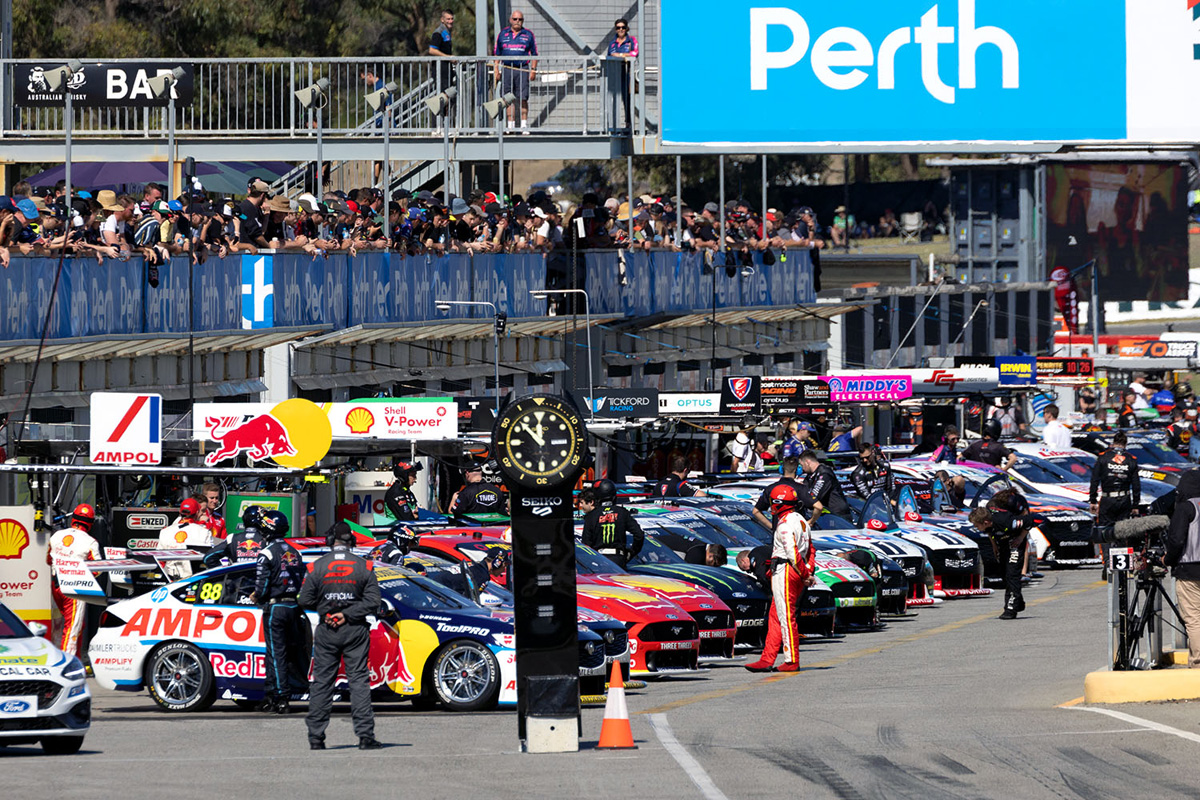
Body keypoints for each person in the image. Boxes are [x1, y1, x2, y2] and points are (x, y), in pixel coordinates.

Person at [300, 522, 383, 750]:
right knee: (358, 681)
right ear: (352, 542)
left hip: (327, 629)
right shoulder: (365, 566)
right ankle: (365, 737)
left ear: (329, 541)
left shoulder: (316, 566)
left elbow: (304, 600)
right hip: (355, 628)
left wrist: (327, 612)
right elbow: (373, 601)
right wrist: (346, 614)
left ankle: (316, 738)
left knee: (322, 682)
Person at [744, 485, 815, 672]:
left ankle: (791, 660)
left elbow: (792, 553)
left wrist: (806, 575)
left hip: (786, 570)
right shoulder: (801, 520)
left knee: (785, 617)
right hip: (795, 570)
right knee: (776, 616)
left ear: (777, 503)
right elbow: (811, 550)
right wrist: (808, 571)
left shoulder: (784, 525)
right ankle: (767, 659)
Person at [250, 510, 306, 714]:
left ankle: (281, 697)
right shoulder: (296, 552)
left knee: (276, 654)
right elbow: (302, 580)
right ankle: (272, 694)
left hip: (275, 608)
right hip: (294, 608)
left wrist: (255, 596)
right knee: (290, 653)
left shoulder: (266, 553)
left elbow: (262, 585)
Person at [968, 489, 1033, 619]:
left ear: (985, 522)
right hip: (1003, 544)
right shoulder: (987, 520)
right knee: (1004, 574)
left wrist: (1020, 538)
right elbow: (990, 532)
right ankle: (1018, 602)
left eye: (976, 525)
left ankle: (1010, 609)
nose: (976, 528)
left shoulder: (1006, 521)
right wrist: (994, 546)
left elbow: (1029, 521)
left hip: (1015, 543)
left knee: (1012, 575)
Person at [48, 504, 102, 655]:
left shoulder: (56, 536)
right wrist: (81, 576)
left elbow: (48, 560)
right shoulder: (91, 542)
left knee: (75, 625)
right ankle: (67, 664)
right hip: (74, 588)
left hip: (56, 585)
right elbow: (98, 569)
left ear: (73, 519)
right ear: (90, 523)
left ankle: (74, 659)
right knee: (72, 629)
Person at [1164, 470, 1200, 667]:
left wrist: (1167, 560)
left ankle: (1198, 662)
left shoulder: (1186, 508)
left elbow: (1176, 540)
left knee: (1194, 619)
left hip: (1189, 569)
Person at [1089, 431, 1140, 539]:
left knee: (1104, 531)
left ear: (1113, 443)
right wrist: (1135, 505)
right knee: (1123, 532)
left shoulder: (1103, 457)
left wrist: (1093, 500)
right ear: (1125, 444)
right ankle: (1122, 548)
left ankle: (1107, 550)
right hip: (1124, 499)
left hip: (1107, 499)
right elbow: (1136, 484)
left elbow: (1094, 480)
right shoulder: (1131, 459)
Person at [581, 479, 644, 567]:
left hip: (599, 560)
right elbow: (639, 535)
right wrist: (631, 553)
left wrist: (591, 560)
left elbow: (586, 544)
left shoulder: (591, 516)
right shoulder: (622, 512)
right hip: (618, 559)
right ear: (614, 496)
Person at [493, 10, 538, 131]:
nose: (517, 21)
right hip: (507, 69)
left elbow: (535, 54)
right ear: (510, 20)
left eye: (520, 19)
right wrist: (496, 69)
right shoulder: (503, 34)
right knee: (508, 98)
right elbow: (497, 54)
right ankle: (510, 126)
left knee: (523, 97)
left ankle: (523, 125)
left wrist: (533, 70)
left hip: (523, 69)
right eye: (515, 19)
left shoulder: (528, 34)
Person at [753, 457, 820, 530]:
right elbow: (818, 507)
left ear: (781, 469)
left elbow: (756, 511)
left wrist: (773, 527)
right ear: (798, 470)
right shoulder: (801, 488)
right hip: (796, 531)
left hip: (779, 532)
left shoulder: (770, 488)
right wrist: (810, 522)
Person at [157, 498, 214, 580]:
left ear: (180, 512)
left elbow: (159, 561)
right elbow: (210, 558)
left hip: (171, 580)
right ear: (197, 513)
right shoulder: (204, 532)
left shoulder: (165, 531)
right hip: (195, 579)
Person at [798, 450, 851, 518]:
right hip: (827, 514)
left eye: (802, 465)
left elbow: (814, 496)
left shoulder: (824, 473)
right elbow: (803, 490)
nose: (802, 469)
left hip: (838, 514)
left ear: (807, 462)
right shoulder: (810, 475)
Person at [607, 19, 638, 128]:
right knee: (612, 98)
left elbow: (634, 53)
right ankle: (612, 124)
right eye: (618, 28)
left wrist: (619, 55)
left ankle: (628, 123)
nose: (621, 29)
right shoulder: (612, 43)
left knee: (627, 98)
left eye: (623, 27)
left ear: (626, 28)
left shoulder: (632, 40)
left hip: (627, 73)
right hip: (614, 74)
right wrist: (624, 55)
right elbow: (610, 55)